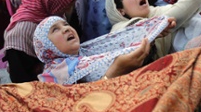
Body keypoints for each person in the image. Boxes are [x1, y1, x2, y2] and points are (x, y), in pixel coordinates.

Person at [33, 15, 170, 84]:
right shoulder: (53, 79)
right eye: (55, 29)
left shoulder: (87, 51)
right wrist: (114, 72)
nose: (66, 29)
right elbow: (81, 105)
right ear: (46, 46)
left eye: (66, 24)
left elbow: (121, 41)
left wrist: (152, 34)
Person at [2, 0, 77, 83]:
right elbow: (20, 79)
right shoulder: (20, 34)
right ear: (53, 1)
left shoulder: (52, 12)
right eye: (66, 6)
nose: (67, 10)